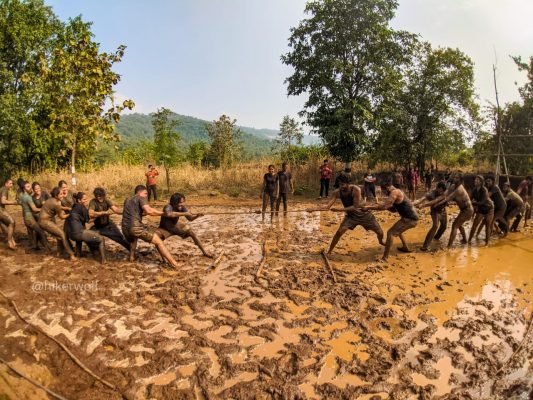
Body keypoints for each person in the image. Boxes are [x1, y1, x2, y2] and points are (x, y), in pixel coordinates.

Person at [310, 174, 384, 255]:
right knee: (339, 232)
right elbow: (327, 206)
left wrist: (340, 210)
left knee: (379, 232)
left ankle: (381, 242)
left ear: (348, 183)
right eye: (339, 184)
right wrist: (313, 209)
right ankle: (329, 251)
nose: (341, 186)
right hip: (351, 216)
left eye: (342, 184)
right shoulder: (337, 192)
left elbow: (355, 206)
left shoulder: (356, 189)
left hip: (364, 215)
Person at [122, 185, 178, 267]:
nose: (146, 196)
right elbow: (149, 211)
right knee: (159, 242)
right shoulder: (141, 197)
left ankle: (131, 257)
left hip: (124, 228)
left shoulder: (127, 199)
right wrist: (164, 214)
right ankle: (174, 263)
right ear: (139, 192)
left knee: (134, 238)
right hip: (135, 227)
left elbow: (137, 212)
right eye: (145, 193)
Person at [364, 178, 419, 261]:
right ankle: (405, 247)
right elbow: (393, 209)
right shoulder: (396, 192)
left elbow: (384, 207)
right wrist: (383, 206)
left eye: (383, 190)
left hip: (410, 219)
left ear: (387, 187)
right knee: (398, 230)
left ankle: (385, 258)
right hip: (408, 218)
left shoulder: (394, 192)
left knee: (391, 233)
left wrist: (369, 207)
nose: (384, 193)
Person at [155, 193, 212, 258]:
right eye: (180, 202)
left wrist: (197, 216)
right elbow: (169, 214)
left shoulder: (182, 207)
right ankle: (163, 258)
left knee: (192, 233)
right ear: (174, 202)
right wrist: (184, 213)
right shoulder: (168, 206)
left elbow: (190, 219)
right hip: (165, 228)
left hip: (175, 225)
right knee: (156, 237)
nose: (182, 204)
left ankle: (204, 252)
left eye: (183, 202)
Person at [65, 192, 106, 263]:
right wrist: (100, 214)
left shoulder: (74, 206)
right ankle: (104, 260)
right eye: (84, 199)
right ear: (79, 200)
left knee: (81, 233)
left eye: (86, 199)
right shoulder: (82, 207)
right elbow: (89, 221)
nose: (86, 201)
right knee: (101, 239)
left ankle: (78, 253)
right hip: (78, 233)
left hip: (71, 234)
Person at [434, 173, 473, 248]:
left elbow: (447, 199)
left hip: (468, 210)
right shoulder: (452, 186)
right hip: (463, 210)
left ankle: (449, 247)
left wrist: (437, 204)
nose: (455, 179)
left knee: (455, 225)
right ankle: (465, 240)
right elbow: (445, 194)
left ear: (461, 180)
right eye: (455, 177)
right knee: (459, 224)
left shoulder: (459, 189)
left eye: (457, 177)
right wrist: (437, 196)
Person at [38, 187, 76, 260]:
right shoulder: (56, 203)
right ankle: (71, 255)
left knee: (58, 235)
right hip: (45, 222)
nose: (63, 195)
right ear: (56, 196)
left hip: (43, 221)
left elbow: (59, 207)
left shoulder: (51, 199)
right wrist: (71, 213)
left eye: (63, 193)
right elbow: (61, 217)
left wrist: (67, 209)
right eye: (61, 194)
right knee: (62, 234)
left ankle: (59, 252)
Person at [414, 181, 447, 251]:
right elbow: (422, 199)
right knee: (435, 226)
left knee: (444, 226)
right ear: (437, 188)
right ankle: (425, 246)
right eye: (440, 191)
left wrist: (423, 205)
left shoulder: (445, 193)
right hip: (435, 212)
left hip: (443, 211)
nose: (441, 192)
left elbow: (435, 201)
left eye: (442, 191)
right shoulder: (432, 193)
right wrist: (413, 203)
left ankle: (435, 239)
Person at [18, 180, 50, 251]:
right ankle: (47, 248)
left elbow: (18, 202)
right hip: (29, 218)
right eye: (28, 187)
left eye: (30, 186)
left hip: (27, 217)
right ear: (24, 188)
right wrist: (43, 208)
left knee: (35, 232)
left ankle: (34, 246)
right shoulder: (28, 197)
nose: (30, 188)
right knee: (40, 231)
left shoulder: (22, 196)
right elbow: (34, 209)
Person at [468, 175, 494, 246]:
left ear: (481, 182)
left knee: (487, 225)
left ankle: (487, 243)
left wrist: (473, 203)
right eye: (475, 180)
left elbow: (482, 202)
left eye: (478, 180)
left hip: (489, 209)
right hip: (481, 208)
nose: (475, 181)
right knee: (474, 225)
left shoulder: (484, 190)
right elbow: (469, 199)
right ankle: (469, 240)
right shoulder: (474, 190)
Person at [0, 178, 17, 250]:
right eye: (10, 183)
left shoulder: (1, 189)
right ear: (6, 183)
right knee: (12, 222)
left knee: (4, 225)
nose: (11, 185)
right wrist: (14, 202)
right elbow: (3, 201)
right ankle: (10, 241)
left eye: (12, 183)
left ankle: (12, 241)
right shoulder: (4, 189)